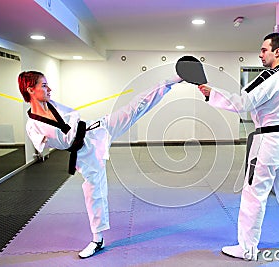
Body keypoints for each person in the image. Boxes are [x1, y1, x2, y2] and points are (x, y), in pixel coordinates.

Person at [18, 71, 181, 259]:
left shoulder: (52, 105)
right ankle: (98, 240)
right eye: (44, 85)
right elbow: (62, 142)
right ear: (30, 89)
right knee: (94, 193)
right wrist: (70, 134)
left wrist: (73, 130)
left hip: (97, 128)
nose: (49, 89)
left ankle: (173, 80)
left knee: (135, 107)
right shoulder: (33, 126)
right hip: (84, 153)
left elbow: (72, 122)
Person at [198, 32, 279, 260]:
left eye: (264, 50)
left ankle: (247, 248)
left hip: (267, 144)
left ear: (277, 52)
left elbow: (243, 103)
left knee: (253, 195)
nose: (260, 55)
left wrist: (212, 93)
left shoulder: (270, 76)